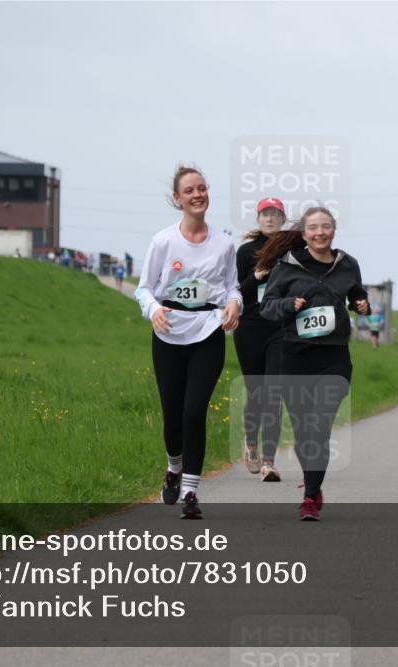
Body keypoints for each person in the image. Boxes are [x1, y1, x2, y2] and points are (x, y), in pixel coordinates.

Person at [134, 165, 242, 519]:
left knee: (195, 411)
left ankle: (191, 492)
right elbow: (144, 288)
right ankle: (173, 466)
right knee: (173, 418)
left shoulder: (224, 243)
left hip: (208, 331)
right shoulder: (163, 241)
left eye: (202, 188)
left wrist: (234, 304)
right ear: (178, 199)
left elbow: (232, 286)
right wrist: (153, 310)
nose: (198, 195)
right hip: (168, 333)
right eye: (190, 191)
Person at [259, 207, 369, 521]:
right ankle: (314, 481)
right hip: (295, 356)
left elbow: (357, 296)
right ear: (304, 233)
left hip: (334, 357)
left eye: (325, 227)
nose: (320, 233)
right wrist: (287, 305)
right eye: (313, 228)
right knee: (304, 431)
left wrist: (362, 304)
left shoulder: (347, 265)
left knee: (319, 427)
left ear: (333, 231)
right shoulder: (287, 266)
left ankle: (309, 497)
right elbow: (266, 307)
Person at [234, 197, 287, 482]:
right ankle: (251, 443)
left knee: (273, 394)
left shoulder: (292, 250)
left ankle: (269, 462)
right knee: (256, 392)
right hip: (250, 328)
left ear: (282, 218)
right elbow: (233, 292)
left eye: (275, 214)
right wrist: (256, 276)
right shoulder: (245, 252)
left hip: (279, 329)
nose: (269, 219)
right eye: (265, 214)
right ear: (258, 219)